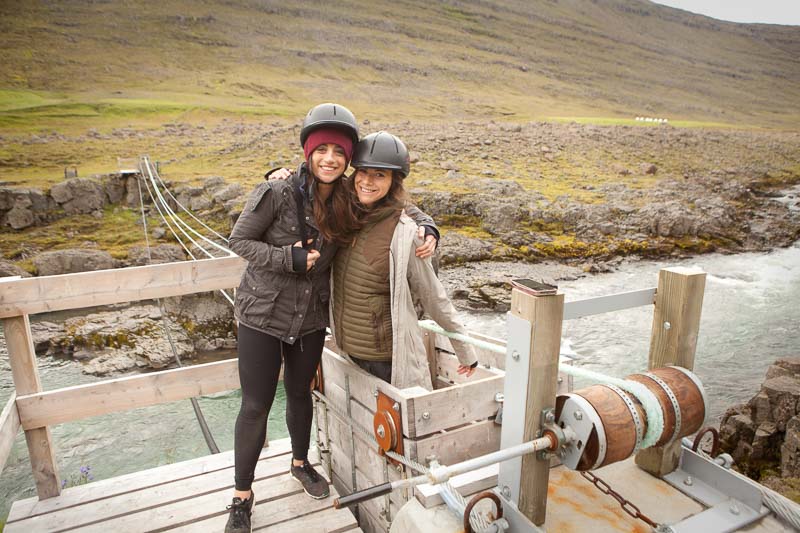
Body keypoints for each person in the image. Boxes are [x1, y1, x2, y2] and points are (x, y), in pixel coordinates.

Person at [224, 105, 438, 533]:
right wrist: (290, 258)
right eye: (320, 149)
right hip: (262, 316)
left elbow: (393, 207)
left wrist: (428, 225)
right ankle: (241, 497)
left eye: (337, 152)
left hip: (309, 320)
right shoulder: (278, 192)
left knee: (301, 394)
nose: (329, 159)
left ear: (347, 159)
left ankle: (301, 464)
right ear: (307, 152)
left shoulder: (346, 197)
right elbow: (239, 240)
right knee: (255, 406)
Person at [330, 131, 478, 390]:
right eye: (363, 171)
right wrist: (281, 174)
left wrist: (465, 351)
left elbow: (433, 296)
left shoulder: (406, 234)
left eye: (380, 175)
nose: (367, 181)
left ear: (393, 182)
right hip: (347, 353)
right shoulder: (344, 214)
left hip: (387, 360)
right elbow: (316, 184)